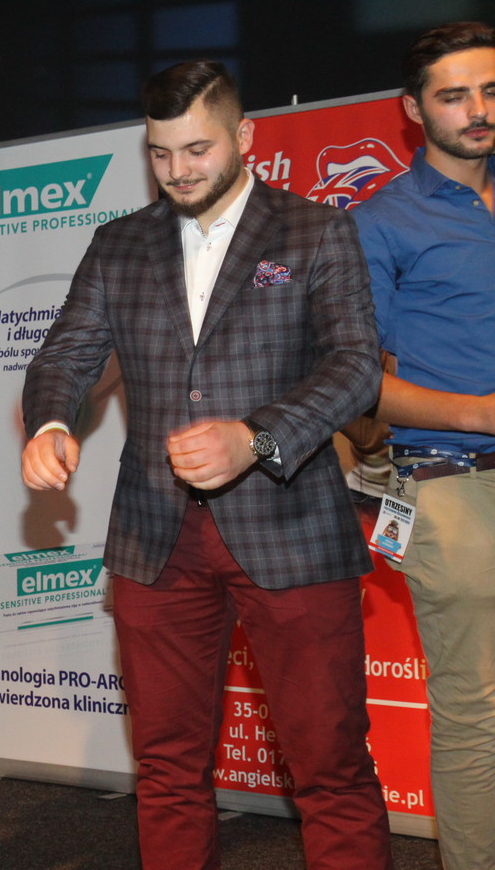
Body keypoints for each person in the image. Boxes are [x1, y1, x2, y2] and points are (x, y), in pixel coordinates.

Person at [20, 60, 393, 870]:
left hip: (292, 530)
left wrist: (254, 438)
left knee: (329, 765)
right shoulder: (119, 244)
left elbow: (355, 367)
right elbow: (65, 355)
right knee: (166, 767)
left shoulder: (314, 231)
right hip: (155, 538)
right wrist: (50, 421)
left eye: (197, 150)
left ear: (244, 136)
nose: (178, 171)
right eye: (160, 154)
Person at [351, 21, 495, 870]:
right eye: (454, 95)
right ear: (413, 110)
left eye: (490, 90)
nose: (478, 109)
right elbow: (354, 383)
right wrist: (480, 414)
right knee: (477, 707)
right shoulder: (379, 222)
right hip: (446, 481)